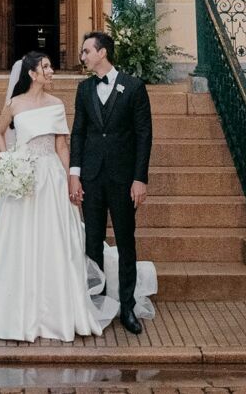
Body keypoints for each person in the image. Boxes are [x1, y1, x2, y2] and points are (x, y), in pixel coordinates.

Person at [0, 50, 156, 342]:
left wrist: (72, 177)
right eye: (46, 67)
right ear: (32, 73)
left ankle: (59, 308)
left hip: (52, 179)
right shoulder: (15, 104)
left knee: (55, 240)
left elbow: (62, 147)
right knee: (20, 240)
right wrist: (9, 160)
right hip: (24, 176)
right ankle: (16, 308)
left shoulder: (57, 105)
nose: (51, 71)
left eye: (50, 66)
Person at [68, 30, 154, 333]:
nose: (83, 56)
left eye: (86, 51)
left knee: (125, 240)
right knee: (92, 242)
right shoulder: (83, 89)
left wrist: (139, 178)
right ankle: (97, 304)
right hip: (91, 177)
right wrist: (74, 175)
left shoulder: (133, 87)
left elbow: (144, 135)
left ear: (102, 52)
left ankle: (128, 308)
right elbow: (78, 132)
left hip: (122, 178)